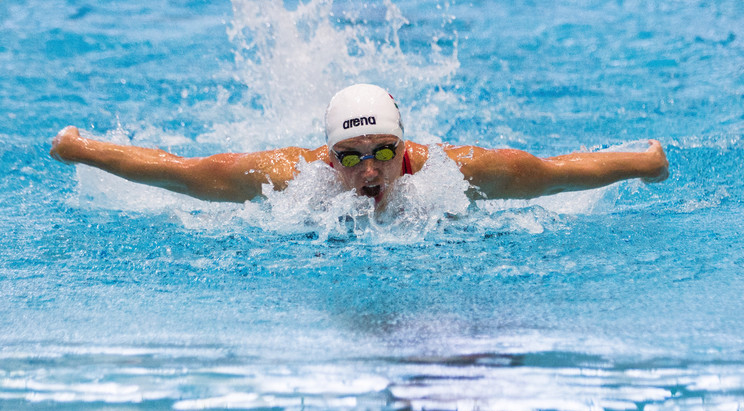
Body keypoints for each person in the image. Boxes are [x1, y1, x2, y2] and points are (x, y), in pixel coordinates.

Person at [50, 84, 669, 208]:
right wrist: (80, 149)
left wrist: (645, 163)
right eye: (351, 156)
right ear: (327, 157)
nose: (369, 169)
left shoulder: (462, 172)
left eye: (382, 153)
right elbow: (182, 173)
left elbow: (556, 172)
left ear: (406, 150)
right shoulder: (287, 178)